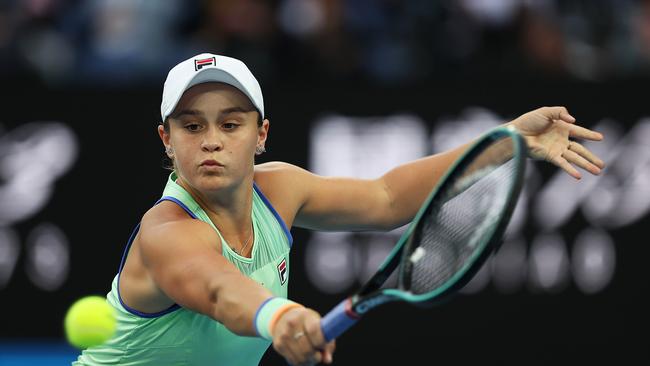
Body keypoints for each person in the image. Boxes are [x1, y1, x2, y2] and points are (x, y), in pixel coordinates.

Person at [73, 53, 605, 366]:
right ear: (166, 140)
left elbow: (389, 198)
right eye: (192, 126)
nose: (211, 140)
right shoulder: (165, 230)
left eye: (230, 124)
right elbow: (217, 288)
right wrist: (277, 315)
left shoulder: (280, 190)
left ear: (260, 135)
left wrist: (505, 138)